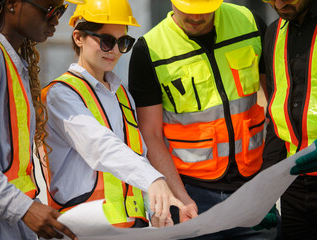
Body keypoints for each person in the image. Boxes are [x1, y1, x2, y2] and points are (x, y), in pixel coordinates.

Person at [128, 0, 278, 239]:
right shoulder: (150, 49)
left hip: (253, 188)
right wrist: (181, 198)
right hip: (193, 195)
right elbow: (151, 135)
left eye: (204, 9)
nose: (196, 17)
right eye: (188, 9)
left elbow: (276, 99)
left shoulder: (248, 22)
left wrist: (269, 180)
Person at [41, 0, 186, 229]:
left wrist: (154, 208)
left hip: (130, 227)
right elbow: (100, 146)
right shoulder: (61, 94)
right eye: (107, 41)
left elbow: (137, 156)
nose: (116, 51)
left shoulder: (122, 95)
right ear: (78, 37)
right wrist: (154, 180)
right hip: (84, 228)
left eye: (123, 42)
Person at [0, 0, 80, 239]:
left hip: (4, 220)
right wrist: (23, 209)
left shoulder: (8, 58)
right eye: (50, 10)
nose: (56, 19)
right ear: (13, 4)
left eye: (62, 10)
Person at [262, 0, 317, 239]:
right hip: (294, 183)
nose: (280, 2)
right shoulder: (275, 33)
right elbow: (278, 114)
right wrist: (264, 193)